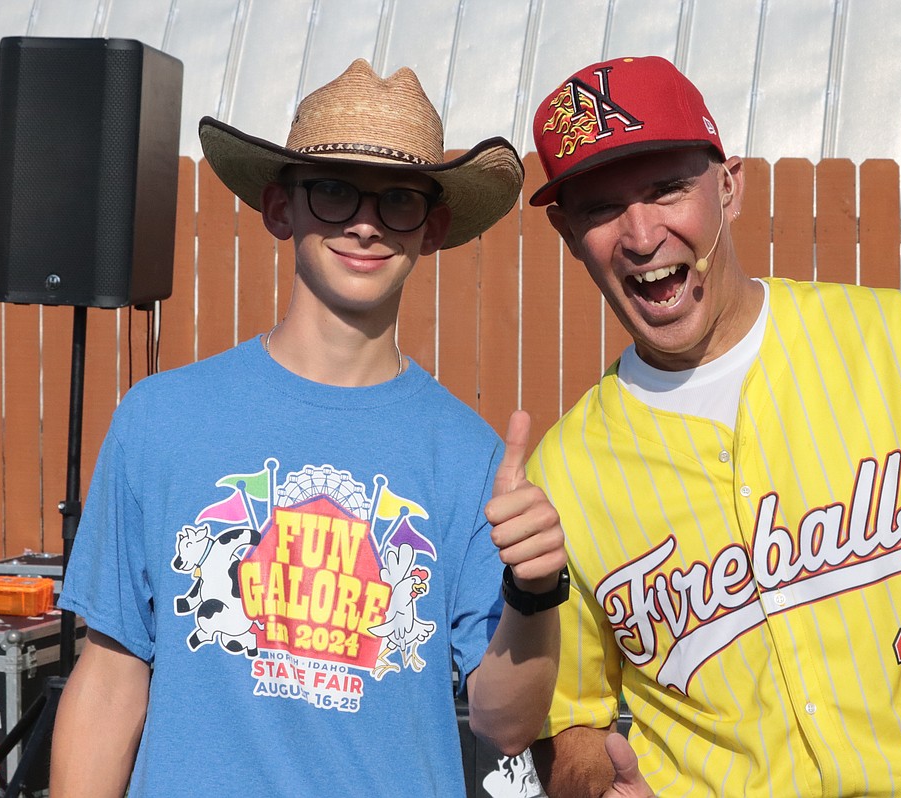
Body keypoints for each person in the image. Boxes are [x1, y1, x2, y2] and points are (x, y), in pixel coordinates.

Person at [523, 55, 901, 798]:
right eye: (599, 207)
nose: (641, 233)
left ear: (728, 184)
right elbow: (570, 719)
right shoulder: (566, 474)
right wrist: (588, 784)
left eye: (665, 189)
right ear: (566, 231)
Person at [50, 59, 569, 797]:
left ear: (434, 228)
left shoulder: (469, 458)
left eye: (398, 200)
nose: (363, 222)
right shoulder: (162, 420)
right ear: (280, 208)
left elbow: (505, 723)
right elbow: (109, 683)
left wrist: (536, 591)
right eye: (332, 191)